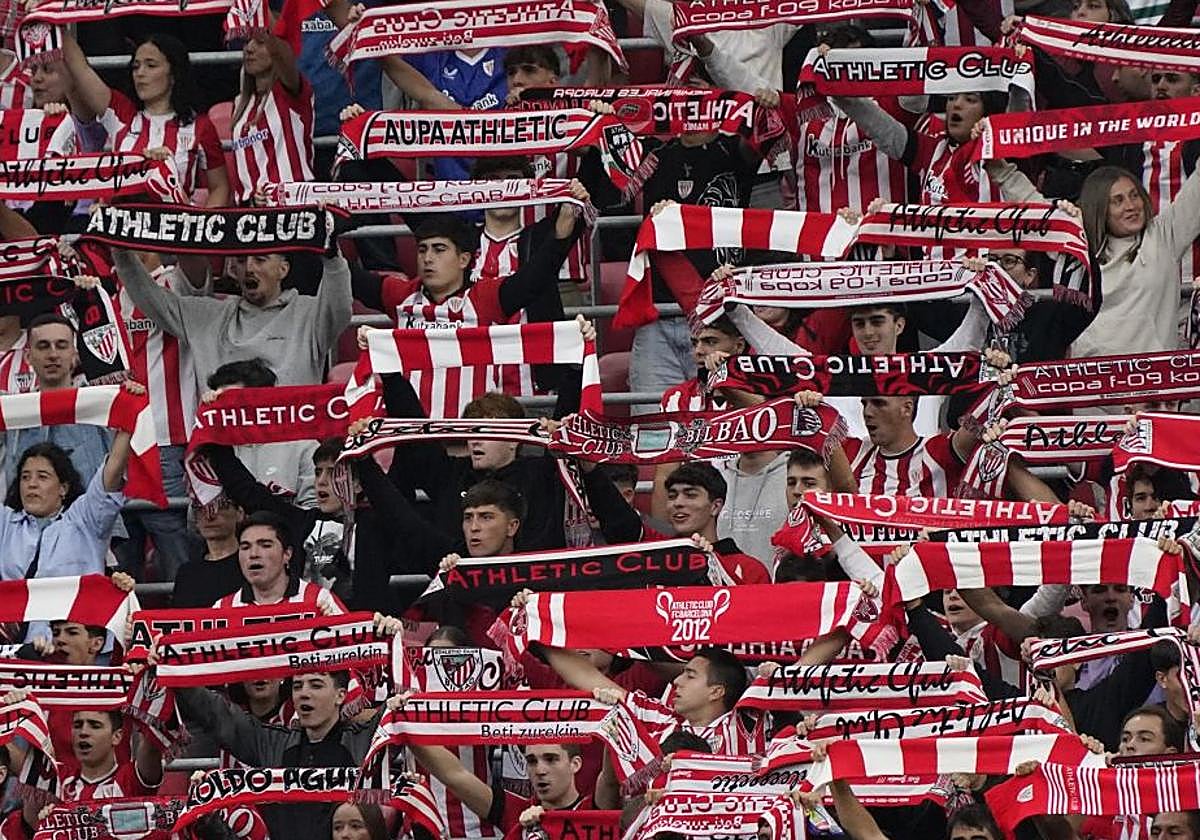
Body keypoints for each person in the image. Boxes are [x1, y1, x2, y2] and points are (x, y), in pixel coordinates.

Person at [983, 154, 1200, 359]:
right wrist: (990, 155)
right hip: (1091, 384)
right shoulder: (1074, 242)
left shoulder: (1164, 236)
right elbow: (1026, 197)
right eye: (1118, 200)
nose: (1131, 206)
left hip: (1152, 386)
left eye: (1134, 195)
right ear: (1099, 207)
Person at [112, 239, 352, 390]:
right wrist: (121, 255)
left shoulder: (309, 314)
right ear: (233, 270)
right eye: (241, 260)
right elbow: (151, 300)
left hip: (293, 450)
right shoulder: (208, 315)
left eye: (260, 260)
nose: (249, 267)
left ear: (283, 269)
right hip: (225, 457)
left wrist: (332, 258)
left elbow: (340, 308)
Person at [58, 32, 229, 205]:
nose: (140, 73)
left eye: (151, 65)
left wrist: (199, 226)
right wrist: (54, 21)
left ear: (174, 73)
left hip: (174, 226)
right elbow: (81, 69)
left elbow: (220, 187)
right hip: (120, 227)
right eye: (136, 66)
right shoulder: (122, 112)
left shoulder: (200, 126)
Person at [0, 382, 141, 579]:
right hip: (15, 611)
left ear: (63, 488)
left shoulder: (85, 519)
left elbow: (114, 467)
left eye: (42, 476)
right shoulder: (5, 523)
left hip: (77, 610)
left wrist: (129, 408)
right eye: (25, 477)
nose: (31, 484)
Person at [3, 314, 108, 488]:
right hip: (25, 514)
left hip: (90, 514)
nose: (53, 354)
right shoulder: (12, 411)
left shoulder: (101, 405)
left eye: (61, 346)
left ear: (74, 355)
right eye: (43, 346)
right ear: (28, 357)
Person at [229, 30, 313, 204]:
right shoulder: (239, 104)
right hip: (252, 213)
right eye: (246, 42)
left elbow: (283, 53)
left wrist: (264, 11)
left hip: (294, 204)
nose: (249, 49)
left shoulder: (290, 91)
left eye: (260, 42)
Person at [214, 511, 344, 613]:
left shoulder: (320, 600)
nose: (253, 554)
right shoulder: (222, 608)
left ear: (287, 554)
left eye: (265, 545)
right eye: (245, 547)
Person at [170, 496, 247, 608]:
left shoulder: (251, 564)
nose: (209, 516)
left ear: (239, 513)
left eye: (220, 506)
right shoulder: (187, 573)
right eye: (200, 508)